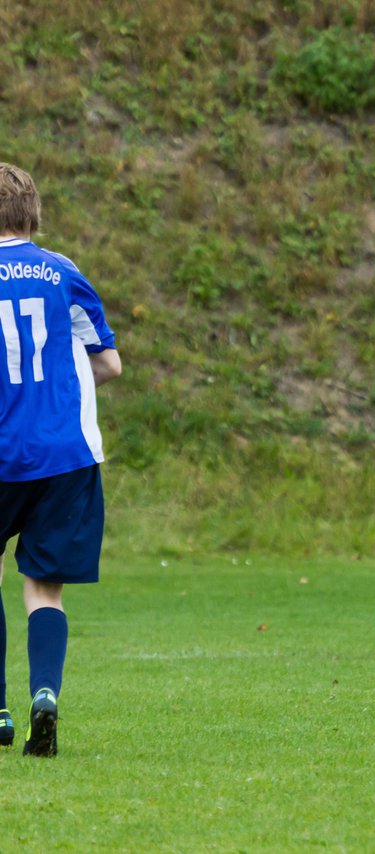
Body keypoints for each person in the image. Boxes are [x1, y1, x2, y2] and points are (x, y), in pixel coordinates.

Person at [0, 163, 122, 756]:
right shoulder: (62, 271)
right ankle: (43, 696)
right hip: (65, 452)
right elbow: (109, 363)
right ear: (33, 213)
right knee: (44, 589)